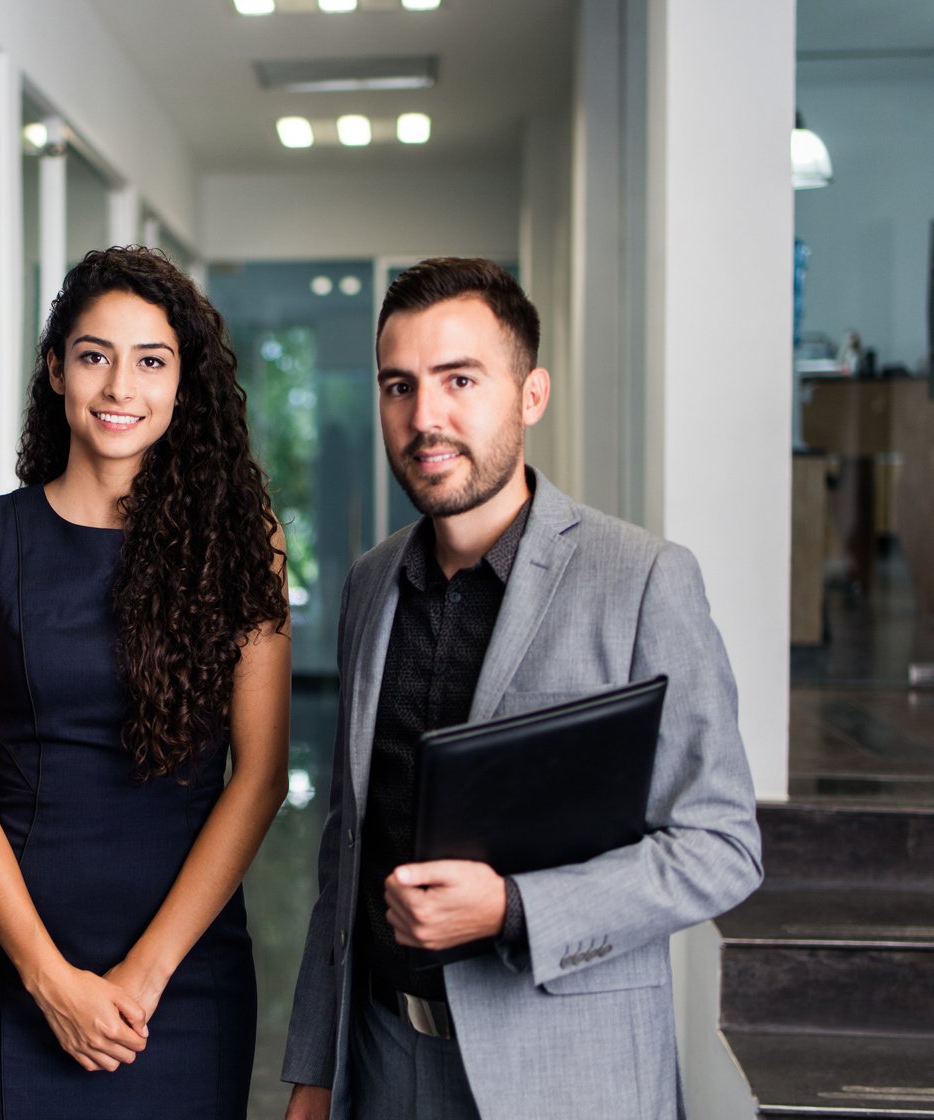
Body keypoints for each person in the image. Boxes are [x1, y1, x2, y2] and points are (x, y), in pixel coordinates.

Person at [281, 257, 762, 1120]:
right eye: (400, 386)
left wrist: (511, 907)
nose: (425, 417)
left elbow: (722, 845)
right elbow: (344, 843)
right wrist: (316, 1069)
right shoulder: (369, 584)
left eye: (460, 379)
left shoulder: (643, 579)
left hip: (568, 1075)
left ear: (531, 394)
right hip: (383, 1060)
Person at [0, 246, 291, 1120]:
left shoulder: (247, 543)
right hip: (16, 971)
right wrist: (48, 979)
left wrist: (143, 974)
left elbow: (260, 776)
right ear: (56, 370)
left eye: (151, 361)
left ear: (183, 383)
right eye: (94, 355)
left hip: (185, 977)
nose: (119, 386)